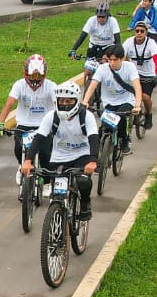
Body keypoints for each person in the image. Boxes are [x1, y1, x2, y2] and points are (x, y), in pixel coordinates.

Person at [21, 80, 99, 219]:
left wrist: (93, 161)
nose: (64, 104)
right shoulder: (51, 116)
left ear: (77, 100)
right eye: (61, 100)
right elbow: (38, 138)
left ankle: (85, 204)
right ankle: (57, 220)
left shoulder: (87, 116)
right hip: (59, 157)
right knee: (56, 194)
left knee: (83, 181)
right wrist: (28, 161)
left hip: (82, 155)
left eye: (69, 101)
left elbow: (93, 138)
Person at [0, 54, 56, 172]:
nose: (35, 79)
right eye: (32, 75)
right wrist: (0, 123)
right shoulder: (19, 85)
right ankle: (21, 164)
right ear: (25, 73)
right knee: (18, 149)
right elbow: (9, 103)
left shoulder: (51, 86)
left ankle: (46, 181)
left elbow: (57, 105)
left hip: (44, 125)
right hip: (24, 124)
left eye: (38, 75)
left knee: (45, 154)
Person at [82, 44, 143, 155]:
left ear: (122, 59)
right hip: (109, 102)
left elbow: (137, 86)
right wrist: (85, 101)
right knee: (103, 129)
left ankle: (125, 141)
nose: (112, 63)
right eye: (109, 60)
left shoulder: (129, 67)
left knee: (122, 119)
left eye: (115, 60)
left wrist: (138, 105)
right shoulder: (103, 68)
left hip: (127, 100)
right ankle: (99, 157)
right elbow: (93, 85)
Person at [123, 22, 157, 129]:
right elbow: (121, 55)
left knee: (145, 97)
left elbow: (156, 58)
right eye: (137, 31)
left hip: (148, 75)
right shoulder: (129, 42)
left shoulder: (151, 43)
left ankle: (149, 115)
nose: (139, 33)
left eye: (142, 31)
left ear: (146, 33)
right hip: (133, 74)